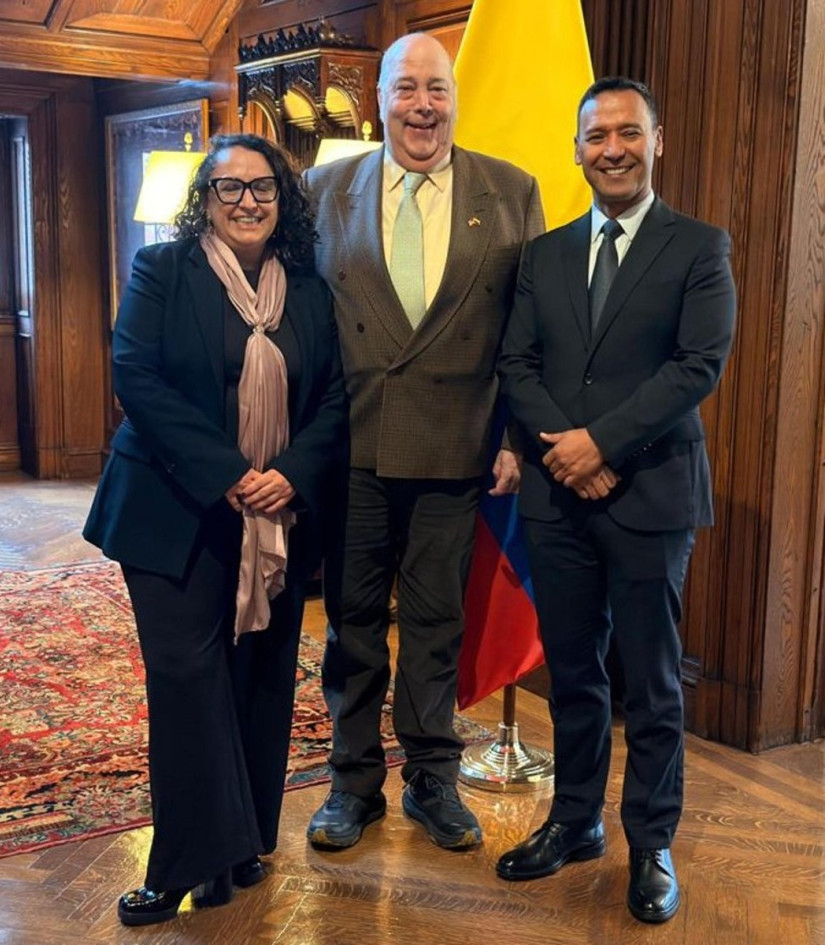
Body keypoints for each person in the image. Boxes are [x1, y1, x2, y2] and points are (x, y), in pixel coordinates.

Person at [83, 133, 348, 927]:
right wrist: (231, 473)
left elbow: (335, 396)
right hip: (171, 510)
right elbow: (137, 377)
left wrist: (290, 473)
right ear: (203, 199)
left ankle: (240, 846)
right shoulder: (162, 271)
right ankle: (180, 864)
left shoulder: (308, 290)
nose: (245, 201)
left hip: (276, 514)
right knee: (187, 679)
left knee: (258, 678)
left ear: (283, 199)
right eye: (227, 187)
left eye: (261, 186)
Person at [495, 77, 736, 924]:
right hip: (558, 500)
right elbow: (516, 364)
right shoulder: (544, 254)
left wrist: (598, 445)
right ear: (576, 150)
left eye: (627, 133)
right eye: (596, 136)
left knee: (651, 681)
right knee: (571, 672)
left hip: (651, 495)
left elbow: (696, 365)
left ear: (655, 141)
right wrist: (567, 454)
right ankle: (574, 820)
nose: (612, 150)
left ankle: (651, 842)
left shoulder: (698, 246)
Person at [302, 32, 545, 851]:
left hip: (458, 443)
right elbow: (302, 324)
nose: (422, 105)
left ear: (454, 98)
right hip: (353, 445)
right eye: (405, 87)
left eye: (436, 88)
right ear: (378, 99)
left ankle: (432, 780)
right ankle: (351, 784)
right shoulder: (321, 189)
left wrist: (516, 435)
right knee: (352, 623)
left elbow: (528, 329)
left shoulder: (509, 191)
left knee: (437, 622)